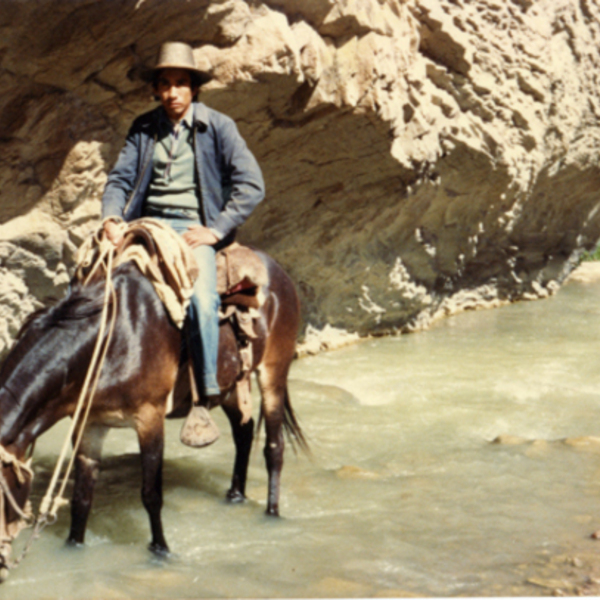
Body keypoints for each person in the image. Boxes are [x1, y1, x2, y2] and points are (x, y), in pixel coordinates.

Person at [101, 41, 265, 448]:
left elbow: (251, 185)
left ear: (194, 89)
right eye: (165, 84)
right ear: (156, 89)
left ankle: (204, 396)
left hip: (194, 230)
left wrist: (216, 229)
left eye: (180, 83)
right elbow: (120, 180)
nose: (172, 92)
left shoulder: (219, 127)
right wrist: (111, 216)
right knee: (95, 281)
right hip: (147, 226)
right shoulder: (143, 128)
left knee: (203, 301)